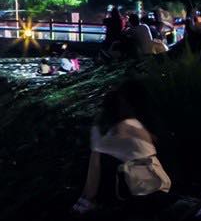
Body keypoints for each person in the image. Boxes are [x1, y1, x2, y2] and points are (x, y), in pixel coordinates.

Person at [73, 83, 170, 213]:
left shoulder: (119, 130)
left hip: (146, 194)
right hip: (157, 187)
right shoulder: (140, 125)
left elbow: (93, 177)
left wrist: (87, 198)